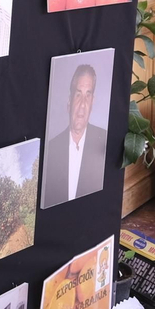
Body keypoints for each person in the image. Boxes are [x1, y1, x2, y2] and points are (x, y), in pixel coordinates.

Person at [42, 64, 109, 208]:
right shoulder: (50, 149)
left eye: (88, 95)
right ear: (69, 101)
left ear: (92, 101)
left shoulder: (105, 141)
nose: (82, 105)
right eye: (78, 95)